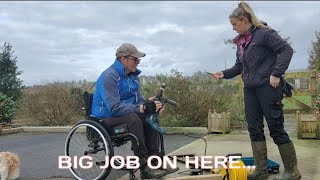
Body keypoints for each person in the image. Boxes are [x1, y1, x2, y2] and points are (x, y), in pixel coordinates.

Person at [211, 2, 301, 180]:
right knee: (254, 129)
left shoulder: (265, 33)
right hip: (250, 90)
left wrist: (276, 73)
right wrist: (224, 73)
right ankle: (261, 171)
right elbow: (239, 67)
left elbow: (286, 50)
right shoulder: (241, 43)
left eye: (235, 24)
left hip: (269, 88)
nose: (234, 29)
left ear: (244, 20)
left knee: (276, 129)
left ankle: (292, 172)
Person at [90, 43, 178, 179]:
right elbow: (113, 108)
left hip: (125, 113)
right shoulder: (109, 77)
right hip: (104, 117)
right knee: (134, 119)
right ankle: (144, 167)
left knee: (150, 115)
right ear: (123, 59)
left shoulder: (133, 76)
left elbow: (139, 102)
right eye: (135, 59)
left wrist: (150, 105)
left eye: (139, 60)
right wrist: (140, 108)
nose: (138, 62)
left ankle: (154, 160)